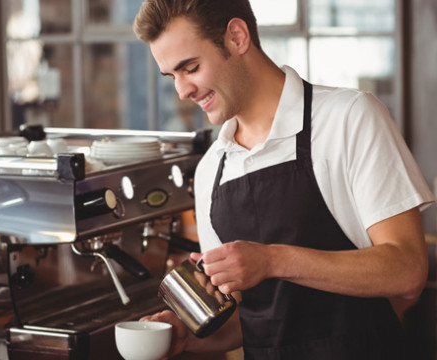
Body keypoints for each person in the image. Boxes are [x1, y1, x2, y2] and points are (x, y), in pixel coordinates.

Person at [133, 1, 435, 359]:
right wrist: (190, 337)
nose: (182, 91)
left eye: (191, 68)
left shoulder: (349, 118)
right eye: (172, 77)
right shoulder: (211, 169)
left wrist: (274, 260)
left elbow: (407, 270)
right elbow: (257, 318)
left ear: (236, 37)